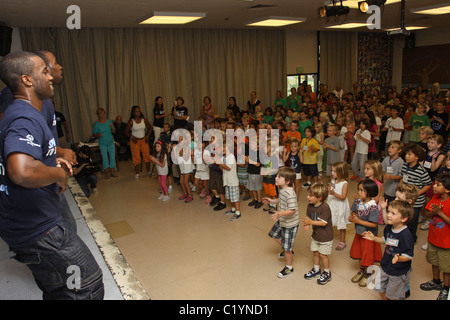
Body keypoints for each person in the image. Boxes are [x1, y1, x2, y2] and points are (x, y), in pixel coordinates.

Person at [0, 51, 104, 299]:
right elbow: (21, 169)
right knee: (88, 284)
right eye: (44, 71)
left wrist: (48, 160)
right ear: (26, 80)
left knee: (58, 287)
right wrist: (58, 173)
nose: (51, 74)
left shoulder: (24, 112)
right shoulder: (24, 116)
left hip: (23, 223)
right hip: (36, 228)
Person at [362, 200, 415, 300]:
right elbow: (386, 240)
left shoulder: (405, 235)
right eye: (388, 212)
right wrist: (374, 239)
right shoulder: (389, 228)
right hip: (385, 266)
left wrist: (398, 258)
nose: (388, 215)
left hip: (398, 272)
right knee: (379, 287)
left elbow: (409, 255)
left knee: (393, 295)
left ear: (403, 218)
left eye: (393, 213)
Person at [420, 173, 450, 300]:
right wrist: (434, 212)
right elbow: (426, 214)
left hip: (446, 243)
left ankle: (446, 288)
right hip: (433, 239)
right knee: (434, 262)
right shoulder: (435, 198)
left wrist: (439, 213)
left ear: (447, 189)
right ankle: (436, 281)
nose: (434, 186)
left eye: (438, 185)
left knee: (446, 267)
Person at [349, 179, 383, 287]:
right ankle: (362, 270)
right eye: (358, 190)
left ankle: (368, 274)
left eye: (361, 190)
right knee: (361, 253)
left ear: (369, 192)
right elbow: (354, 211)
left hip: (368, 235)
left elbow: (373, 224)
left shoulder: (373, 207)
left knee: (367, 255)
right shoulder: (357, 201)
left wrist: (358, 221)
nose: (359, 192)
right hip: (359, 233)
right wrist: (353, 217)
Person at [266, 167, 299, 278]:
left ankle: (289, 267)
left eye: (279, 177)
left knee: (287, 248)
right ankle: (287, 248)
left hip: (290, 224)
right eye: (277, 176)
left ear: (287, 181)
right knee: (273, 234)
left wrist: (279, 213)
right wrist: (272, 201)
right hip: (283, 220)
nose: (276, 178)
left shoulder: (290, 194)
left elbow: (292, 211)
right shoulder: (283, 190)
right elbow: (281, 200)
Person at [399, 143, 432, 242]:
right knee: (404, 217)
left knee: (412, 221)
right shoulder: (405, 166)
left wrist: (417, 194)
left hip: (416, 202)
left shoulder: (422, 171)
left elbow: (428, 184)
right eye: (406, 154)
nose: (406, 156)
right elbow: (403, 178)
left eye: (409, 154)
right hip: (405, 198)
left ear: (417, 157)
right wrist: (399, 188)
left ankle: (412, 238)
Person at [303, 182, 333, 285]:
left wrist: (311, 222)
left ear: (319, 197)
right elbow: (308, 217)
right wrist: (306, 223)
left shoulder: (325, 208)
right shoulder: (310, 206)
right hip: (316, 235)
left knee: (323, 255)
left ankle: (327, 272)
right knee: (315, 252)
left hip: (325, 237)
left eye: (310, 195)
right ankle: (316, 269)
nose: (308, 197)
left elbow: (323, 223)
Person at [327, 162, 350, 250]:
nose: (332, 173)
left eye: (334, 171)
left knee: (341, 223)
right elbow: (329, 189)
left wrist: (334, 193)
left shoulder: (345, 183)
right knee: (330, 220)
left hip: (340, 205)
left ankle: (342, 241)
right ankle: (328, 236)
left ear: (341, 172)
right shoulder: (333, 180)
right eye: (332, 171)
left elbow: (343, 197)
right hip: (332, 203)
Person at [125, 105, 153, 179]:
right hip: (135, 141)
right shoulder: (131, 121)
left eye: (139, 111)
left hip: (144, 140)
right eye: (136, 111)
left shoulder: (144, 120)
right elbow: (126, 131)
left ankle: (148, 171)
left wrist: (147, 136)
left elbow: (150, 127)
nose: (138, 112)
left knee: (147, 156)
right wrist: (131, 136)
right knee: (136, 157)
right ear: (133, 112)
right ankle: (137, 173)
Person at [92, 107, 117, 179]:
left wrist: (112, 128)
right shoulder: (97, 124)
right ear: (98, 115)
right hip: (102, 143)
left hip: (110, 142)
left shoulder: (109, 121)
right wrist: (98, 135)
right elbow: (94, 134)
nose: (102, 115)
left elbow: (114, 131)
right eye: (100, 113)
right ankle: (107, 173)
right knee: (105, 158)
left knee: (112, 157)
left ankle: (113, 172)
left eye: (103, 113)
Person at [220, 142, 241, 221]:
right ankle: (233, 210)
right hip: (227, 181)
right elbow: (222, 168)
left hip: (232, 181)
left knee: (235, 199)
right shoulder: (224, 157)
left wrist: (220, 162)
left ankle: (238, 213)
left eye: (225, 147)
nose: (223, 149)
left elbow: (228, 168)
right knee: (230, 198)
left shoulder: (231, 156)